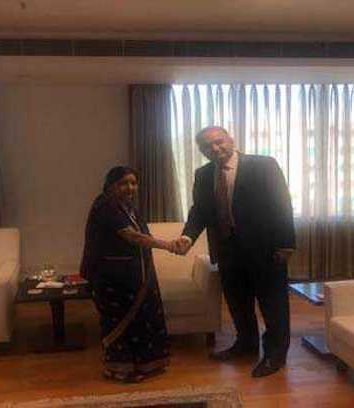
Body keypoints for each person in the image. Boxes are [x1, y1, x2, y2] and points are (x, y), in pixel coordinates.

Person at [174, 126, 295, 378]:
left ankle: (275, 354)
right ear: (201, 150)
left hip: (265, 248)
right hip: (227, 250)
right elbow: (199, 211)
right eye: (207, 146)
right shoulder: (203, 174)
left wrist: (285, 243)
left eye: (219, 142)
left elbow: (282, 203)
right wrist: (187, 236)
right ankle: (246, 345)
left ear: (230, 139)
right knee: (238, 303)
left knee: (272, 304)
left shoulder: (263, 165)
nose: (215, 148)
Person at [80, 166, 172, 383]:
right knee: (119, 321)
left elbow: (141, 234)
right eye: (123, 183)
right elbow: (132, 236)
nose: (130, 188)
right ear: (111, 185)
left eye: (133, 183)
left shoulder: (127, 207)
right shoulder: (105, 206)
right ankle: (119, 369)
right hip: (113, 278)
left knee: (142, 319)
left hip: (135, 276)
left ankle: (146, 364)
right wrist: (168, 245)